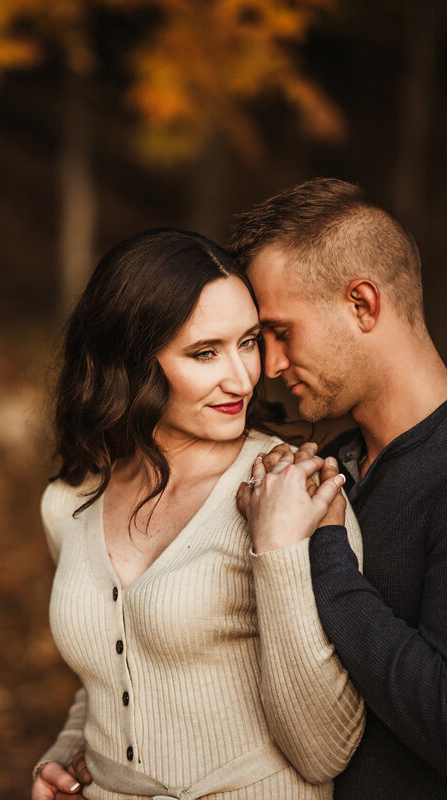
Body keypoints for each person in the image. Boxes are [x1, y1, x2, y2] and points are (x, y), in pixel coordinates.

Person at [230, 178, 447, 799]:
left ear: (363, 305)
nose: (272, 366)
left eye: (281, 332)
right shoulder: (334, 468)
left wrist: (327, 549)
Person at [31, 228, 365, 800]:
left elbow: (325, 749)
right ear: (130, 363)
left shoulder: (293, 490)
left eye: (249, 341)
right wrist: (67, 752)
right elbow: (114, 666)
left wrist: (278, 551)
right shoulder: (70, 503)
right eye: (205, 353)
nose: (242, 379)